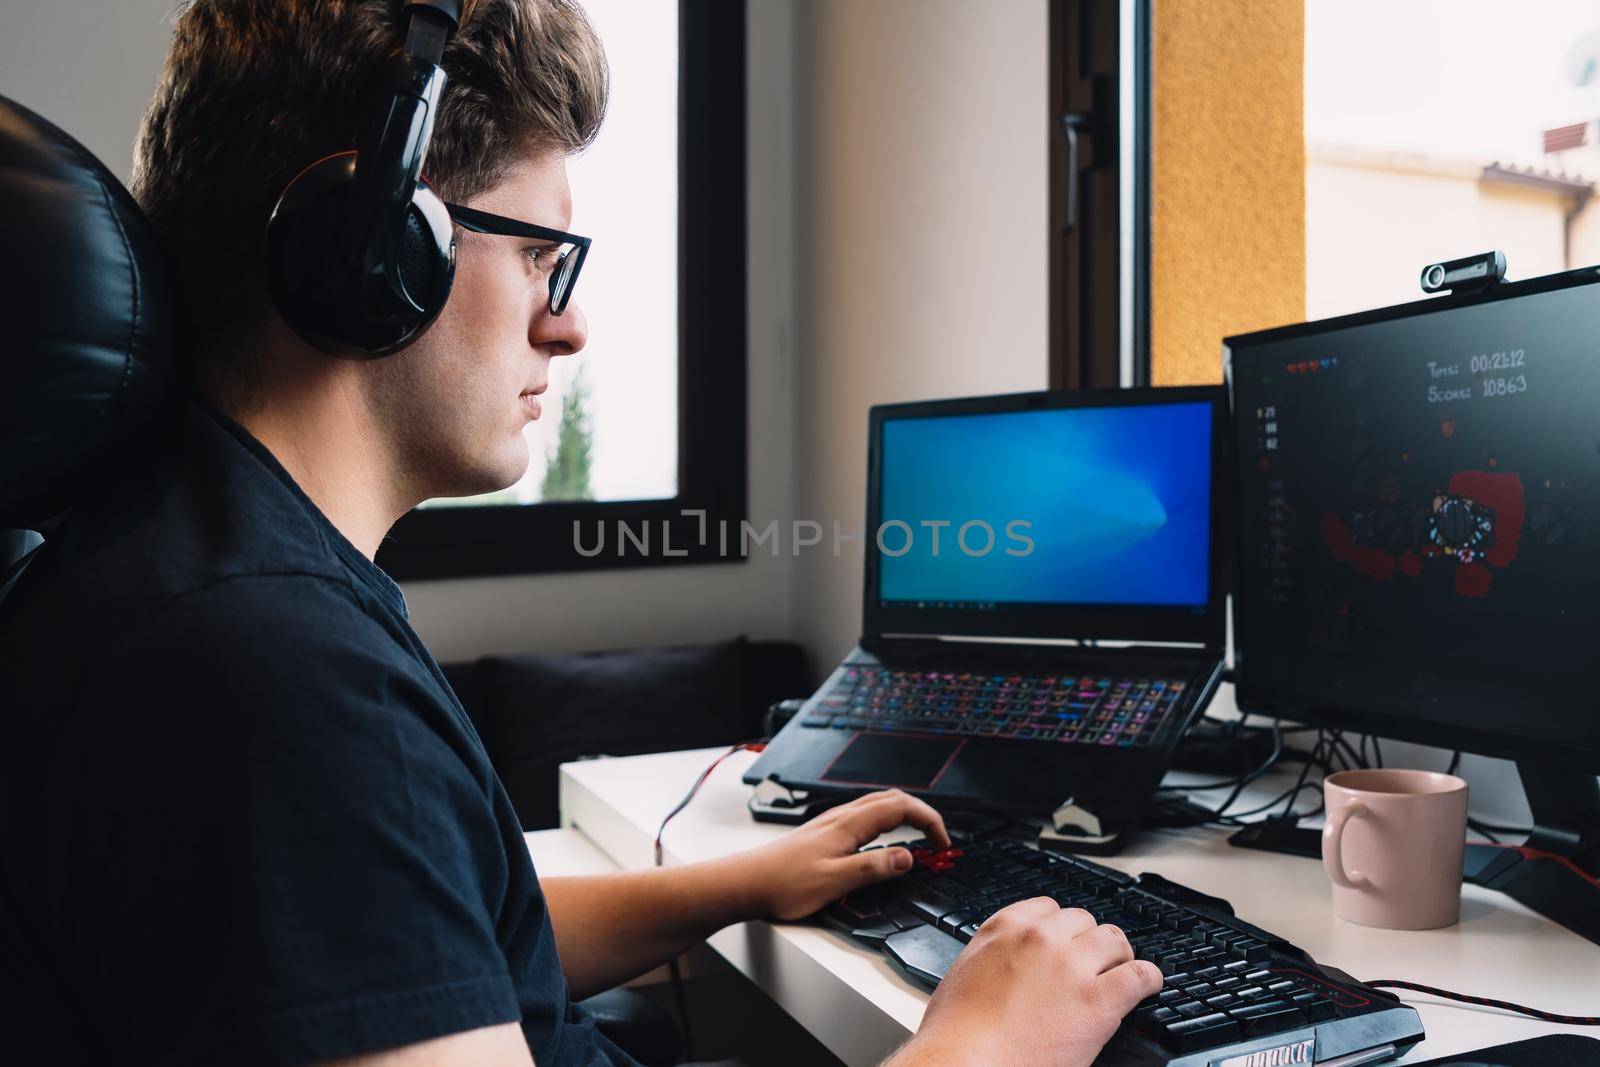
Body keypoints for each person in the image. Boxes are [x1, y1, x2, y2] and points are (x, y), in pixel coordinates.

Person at [0, 1, 1162, 1064]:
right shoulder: (268, 671)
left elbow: (426, 937)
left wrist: (741, 880)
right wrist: (984, 1047)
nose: (568, 323)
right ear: (373, 254)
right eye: (537, 256)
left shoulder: (205, 565)